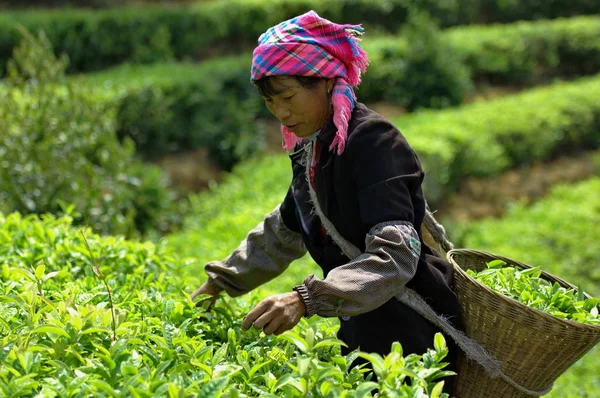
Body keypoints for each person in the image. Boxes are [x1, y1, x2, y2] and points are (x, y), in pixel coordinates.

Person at [191, 10, 463, 394]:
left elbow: (396, 256)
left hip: (414, 335)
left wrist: (305, 299)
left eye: (288, 96)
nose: (281, 113)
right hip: (362, 330)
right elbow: (286, 229)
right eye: (271, 102)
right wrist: (218, 283)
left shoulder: (374, 142)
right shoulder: (315, 148)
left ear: (324, 83)